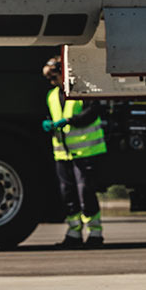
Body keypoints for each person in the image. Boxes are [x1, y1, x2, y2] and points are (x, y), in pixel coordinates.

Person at [41, 56, 107, 247]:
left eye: (55, 77)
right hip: (63, 153)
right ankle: (74, 233)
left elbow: (92, 112)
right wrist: (47, 123)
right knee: (68, 194)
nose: (52, 82)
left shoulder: (81, 91)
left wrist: (69, 121)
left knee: (85, 192)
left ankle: (95, 234)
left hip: (86, 151)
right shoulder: (52, 95)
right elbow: (50, 115)